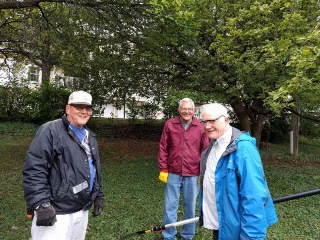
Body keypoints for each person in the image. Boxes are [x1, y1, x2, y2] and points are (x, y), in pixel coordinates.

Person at [23, 90, 104, 240]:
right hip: (56, 212)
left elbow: (94, 168)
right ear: (68, 109)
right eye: (79, 107)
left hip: (81, 209)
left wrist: (98, 195)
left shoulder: (89, 136)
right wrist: (41, 204)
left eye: (87, 108)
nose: (84, 111)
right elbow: (35, 168)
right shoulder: (50, 131)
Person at [198, 103, 278, 240]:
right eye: (204, 122)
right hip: (222, 226)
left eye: (212, 120)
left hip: (239, 230)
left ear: (226, 120)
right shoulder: (211, 148)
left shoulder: (243, 149)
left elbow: (254, 197)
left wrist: (251, 237)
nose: (207, 126)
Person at [158, 98, 209, 240]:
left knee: (190, 207)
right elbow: (163, 147)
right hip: (173, 171)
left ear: (194, 111)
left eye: (190, 109)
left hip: (193, 173)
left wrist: (202, 172)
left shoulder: (200, 126)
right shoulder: (170, 124)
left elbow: (205, 151)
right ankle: (169, 235)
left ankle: (188, 234)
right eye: (184, 109)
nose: (187, 111)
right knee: (170, 207)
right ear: (179, 110)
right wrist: (163, 168)